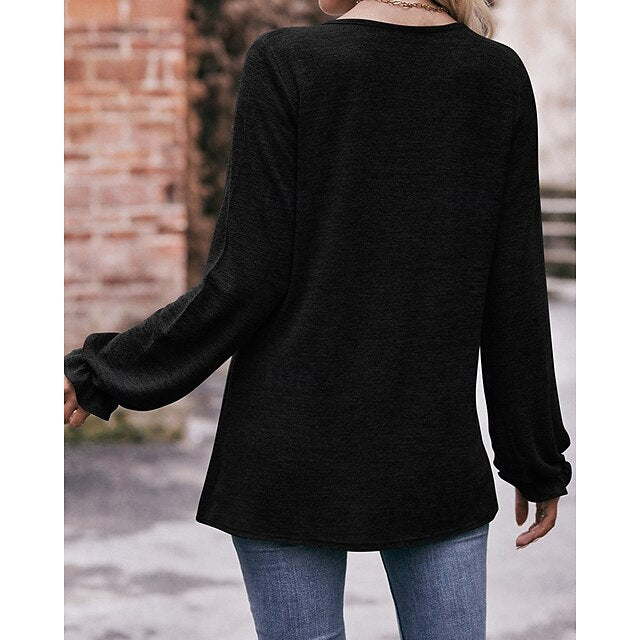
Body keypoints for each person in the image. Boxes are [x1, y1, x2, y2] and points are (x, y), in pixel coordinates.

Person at [63, 0, 573, 638]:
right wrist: (533, 454)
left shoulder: (287, 63)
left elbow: (243, 281)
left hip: (285, 452)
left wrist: (107, 370)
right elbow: (514, 290)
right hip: (430, 455)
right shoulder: (496, 77)